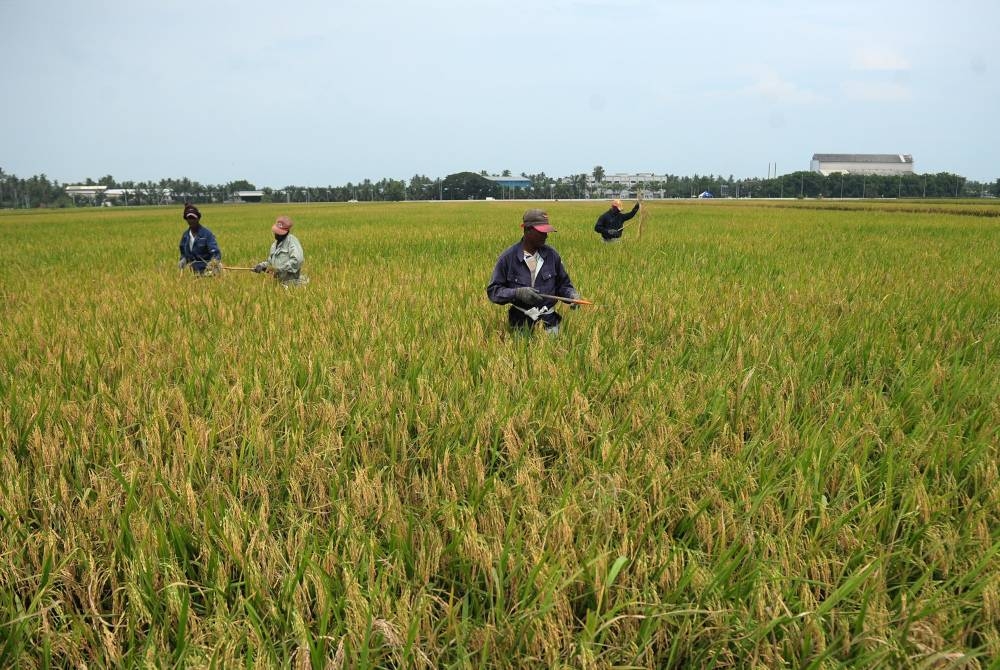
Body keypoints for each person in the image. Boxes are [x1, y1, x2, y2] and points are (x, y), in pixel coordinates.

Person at [487, 209, 580, 335]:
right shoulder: (508, 258)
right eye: (542, 232)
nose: (546, 236)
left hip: (549, 322)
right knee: (520, 352)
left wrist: (572, 296)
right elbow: (494, 291)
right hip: (520, 324)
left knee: (553, 352)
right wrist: (517, 293)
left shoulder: (552, 256)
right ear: (527, 230)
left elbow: (563, 285)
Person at [252, 215, 307, 285]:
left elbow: (297, 260)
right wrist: (261, 266)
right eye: (276, 232)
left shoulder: (292, 242)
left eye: (280, 233)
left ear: (287, 231)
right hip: (278, 284)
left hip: (292, 284)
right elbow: (270, 262)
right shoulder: (274, 245)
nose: (277, 234)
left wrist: (279, 269)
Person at [178, 203, 222, 273]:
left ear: (198, 218)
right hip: (193, 271)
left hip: (209, 269)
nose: (191, 220)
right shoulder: (185, 236)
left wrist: (214, 263)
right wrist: (183, 259)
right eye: (189, 218)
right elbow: (183, 253)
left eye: (193, 218)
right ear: (186, 219)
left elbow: (215, 252)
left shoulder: (207, 234)